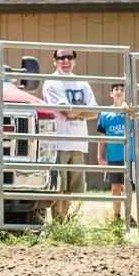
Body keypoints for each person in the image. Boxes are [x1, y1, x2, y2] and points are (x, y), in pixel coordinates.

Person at [41, 47, 96, 222]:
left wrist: (76, 112)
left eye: (69, 57)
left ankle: (64, 221)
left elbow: (94, 112)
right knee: (59, 186)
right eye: (61, 58)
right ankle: (58, 223)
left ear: (74, 60)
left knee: (72, 187)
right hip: (59, 142)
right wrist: (81, 111)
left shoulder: (82, 83)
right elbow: (65, 111)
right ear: (54, 61)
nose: (65, 61)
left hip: (78, 143)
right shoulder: (52, 83)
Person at [97, 82, 139, 224]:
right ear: (111, 93)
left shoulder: (130, 110)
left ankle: (128, 216)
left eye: (122, 90)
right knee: (115, 188)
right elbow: (101, 136)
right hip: (113, 156)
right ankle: (116, 216)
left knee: (127, 187)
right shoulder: (105, 113)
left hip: (128, 156)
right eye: (116, 89)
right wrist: (100, 156)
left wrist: (135, 130)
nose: (119, 92)